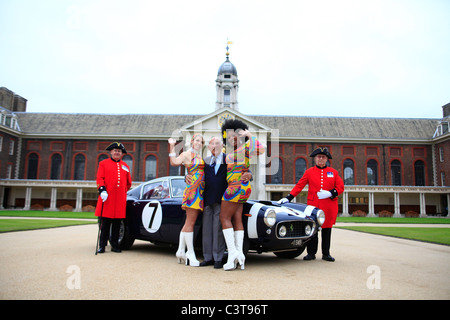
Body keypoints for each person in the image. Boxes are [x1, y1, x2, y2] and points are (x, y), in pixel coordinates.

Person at [186, 137, 252, 269]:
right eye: (211, 144)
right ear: (209, 147)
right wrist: (185, 176)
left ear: (222, 146)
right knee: (207, 229)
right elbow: (194, 171)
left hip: (223, 199)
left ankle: (218, 258)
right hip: (206, 198)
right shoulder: (204, 161)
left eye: (217, 143)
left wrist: (249, 174)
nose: (214, 146)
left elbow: (243, 168)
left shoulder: (228, 158)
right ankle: (208, 257)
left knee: (218, 228)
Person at [278, 147, 344, 261]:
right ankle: (311, 253)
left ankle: (326, 254)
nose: (321, 159)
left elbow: (341, 187)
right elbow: (300, 185)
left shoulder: (333, 172)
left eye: (323, 157)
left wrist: (330, 193)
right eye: (319, 157)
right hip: (314, 205)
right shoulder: (309, 172)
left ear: (327, 159)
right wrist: (289, 197)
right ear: (315, 159)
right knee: (313, 229)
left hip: (329, 206)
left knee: (326, 230)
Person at [220, 119, 265, 270]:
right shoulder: (235, 151)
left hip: (236, 187)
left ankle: (232, 253)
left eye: (236, 136)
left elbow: (261, 148)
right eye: (230, 136)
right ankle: (240, 255)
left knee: (224, 217)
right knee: (237, 218)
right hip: (243, 188)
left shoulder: (245, 147)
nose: (232, 139)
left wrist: (250, 135)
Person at [168, 134, 205, 267]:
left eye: (201, 142)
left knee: (188, 223)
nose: (199, 143)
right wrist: (172, 146)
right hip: (192, 192)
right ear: (192, 141)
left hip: (199, 192)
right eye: (197, 140)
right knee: (191, 222)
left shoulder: (200, 157)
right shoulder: (186, 154)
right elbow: (174, 162)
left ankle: (180, 251)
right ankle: (190, 253)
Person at [95, 142, 132, 253]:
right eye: (115, 150)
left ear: (122, 154)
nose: (117, 152)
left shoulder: (125, 166)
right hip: (107, 198)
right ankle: (102, 245)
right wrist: (102, 190)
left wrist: (122, 192)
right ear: (111, 152)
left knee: (116, 224)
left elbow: (128, 183)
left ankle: (115, 245)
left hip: (119, 200)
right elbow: (99, 178)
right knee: (105, 224)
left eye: (119, 151)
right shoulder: (103, 163)